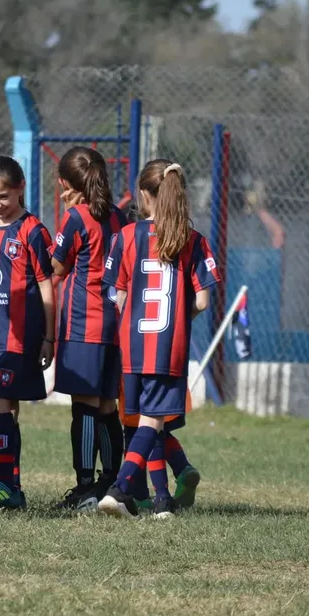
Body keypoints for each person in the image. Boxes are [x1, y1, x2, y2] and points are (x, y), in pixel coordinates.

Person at [98, 160, 220, 520]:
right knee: (153, 424)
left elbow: (114, 294)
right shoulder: (192, 240)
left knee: (144, 424)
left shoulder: (125, 237)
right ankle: (120, 490)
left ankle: (162, 501)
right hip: (169, 349)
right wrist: (179, 319)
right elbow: (202, 300)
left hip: (133, 348)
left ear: (143, 196)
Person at [0, 156, 55, 511]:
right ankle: (12, 487)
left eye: (2, 196)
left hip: (20, 338)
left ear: (19, 189)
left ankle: (5, 485)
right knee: (7, 408)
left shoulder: (33, 231)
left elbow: (47, 287)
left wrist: (50, 337)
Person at [49, 147, 130, 511]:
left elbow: (58, 267)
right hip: (115, 325)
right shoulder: (119, 216)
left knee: (83, 406)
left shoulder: (76, 218)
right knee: (106, 405)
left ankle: (84, 487)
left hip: (85, 324)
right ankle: (111, 481)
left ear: (66, 183)